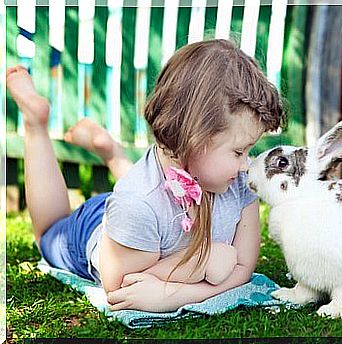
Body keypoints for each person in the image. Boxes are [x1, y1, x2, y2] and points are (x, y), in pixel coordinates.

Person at [6, 39, 286, 313]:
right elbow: (120, 288)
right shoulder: (137, 204)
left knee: (150, 208)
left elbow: (243, 269)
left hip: (143, 227)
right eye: (239, 152)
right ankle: (36, 124)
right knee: (49, 232)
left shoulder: (239, 181)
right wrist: (200, 262)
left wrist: (170, 295)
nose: (246, 164)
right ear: (194, 138)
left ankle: (112, 152)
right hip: (96, 234)